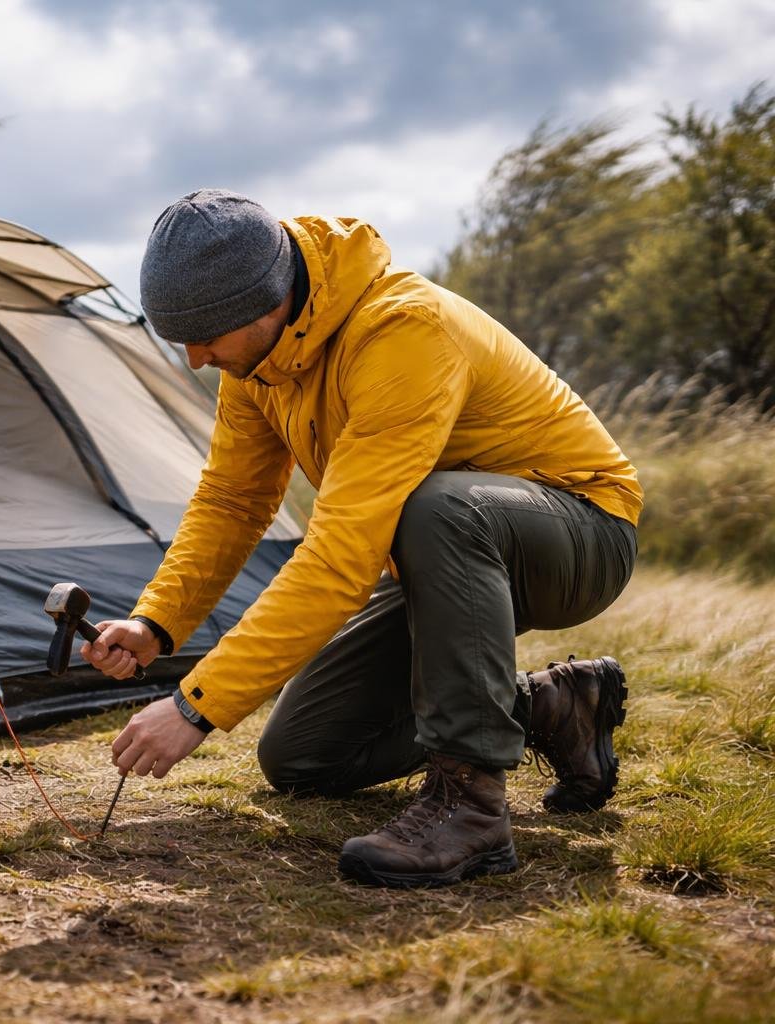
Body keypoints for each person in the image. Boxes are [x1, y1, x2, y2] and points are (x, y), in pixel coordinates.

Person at [82, 189, 641, 889]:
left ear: (268, 300)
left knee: (436, 506)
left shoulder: (404, 330)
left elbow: (342, 556)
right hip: (441, 552)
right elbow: (232, 501)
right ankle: (556, 706)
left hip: (578, 531)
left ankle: (468, 809)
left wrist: (197, 706)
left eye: (206, 336)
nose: (197, 358)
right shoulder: (256, 363)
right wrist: (155, 621)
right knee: (301, 757)